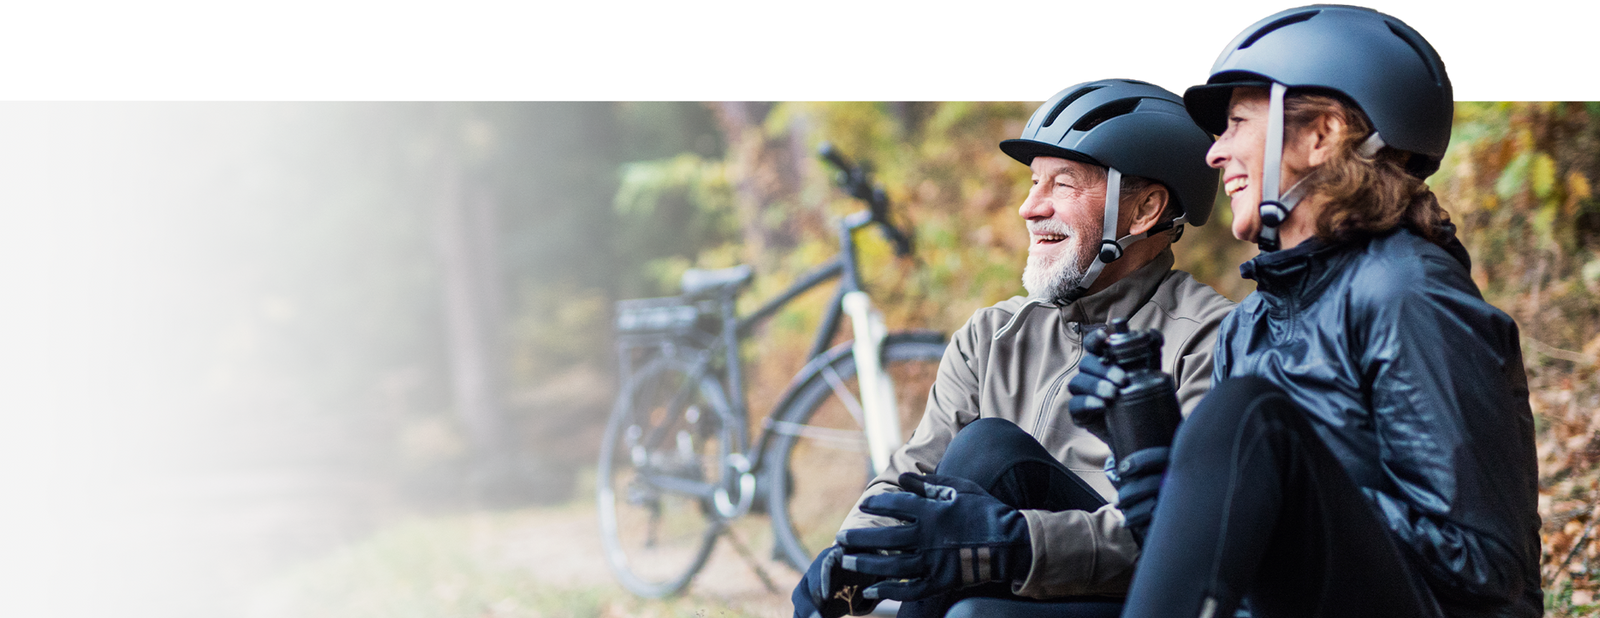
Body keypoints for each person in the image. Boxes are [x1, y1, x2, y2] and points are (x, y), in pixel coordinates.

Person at [1072, 5, 1542, 617]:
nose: (1214, 155)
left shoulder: (1407, 291)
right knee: (995, 465)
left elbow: (1484, 566)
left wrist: (1277, 481)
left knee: (1243, 419)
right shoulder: (1249, 324)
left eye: (1237, 123)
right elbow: (1208, 571)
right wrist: (1147, 447)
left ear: (1321, 135)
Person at [791, 76, 1236, 618]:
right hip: (995, 592)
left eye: (1063, 185)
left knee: (990, 451)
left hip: (1134, 598)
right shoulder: (990, 334)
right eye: (1034, 183)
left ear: (1144, 211)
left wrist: (1011, 540)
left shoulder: (1209, 338)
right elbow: (914, 472)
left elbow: (1188, 535)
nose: (1030, 208)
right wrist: (851, 555)